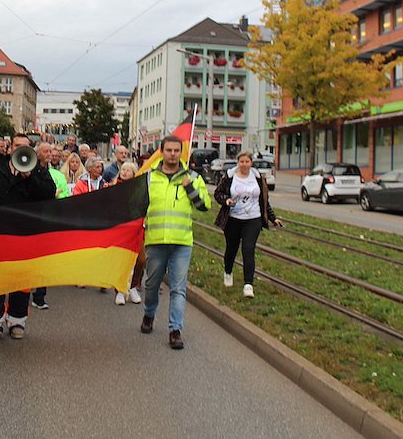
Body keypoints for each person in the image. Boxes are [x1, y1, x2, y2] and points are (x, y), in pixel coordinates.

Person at [0, 133, 56, 340]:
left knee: (21, 279)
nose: (20, 149)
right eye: (16, 145)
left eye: (25, 146)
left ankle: (16, 320)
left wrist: (30, 177)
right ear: (10, 148)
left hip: (25, 234)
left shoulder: (38, 171)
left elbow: (49, 194)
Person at [140, 135, 210, 350]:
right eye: (169, 150)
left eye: (176, 151)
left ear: (181, 153)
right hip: (156, 241)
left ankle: (175, 330)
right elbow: (137, 205)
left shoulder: (193, 177)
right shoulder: (149, 177)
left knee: (178, 289)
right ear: (161, 152)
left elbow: (204, 206)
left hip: (181, 242)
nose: (172, 154)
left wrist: (190, 188)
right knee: (151, 285)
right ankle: (149, 314)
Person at [213, 151, 281, 298]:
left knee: (248, 249)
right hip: (233, 220)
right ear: (238, 163)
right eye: (241, 162)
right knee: (231, 249)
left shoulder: (257, 178)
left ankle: (248, 285)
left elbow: (264, 200)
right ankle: (228, 272)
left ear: (251, 163)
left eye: (247, 162)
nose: (244, 164)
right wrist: (226, 200)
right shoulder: (230, 177)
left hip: (253, 219)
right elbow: (218, 193)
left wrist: (273, 218)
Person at [31, 142, 70, 310]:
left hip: (46, 219)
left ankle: (40, 296)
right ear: (37, 153)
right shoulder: (30, 170)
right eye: (45, 151)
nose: (49, 154)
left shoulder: (49, 172)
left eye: (50, 151)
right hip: (31, 219)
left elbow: (51, 191)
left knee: (43, 259)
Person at [111, 160, 142, 306]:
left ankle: (133, 286)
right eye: (123, 169)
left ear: (134, 174)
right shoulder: (114, 188)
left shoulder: (139, 190)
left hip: (137, 229)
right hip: (121, 229)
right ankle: (120, 290)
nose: (124, 172)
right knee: (122, 260)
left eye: (128, 170)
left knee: (141, 259)